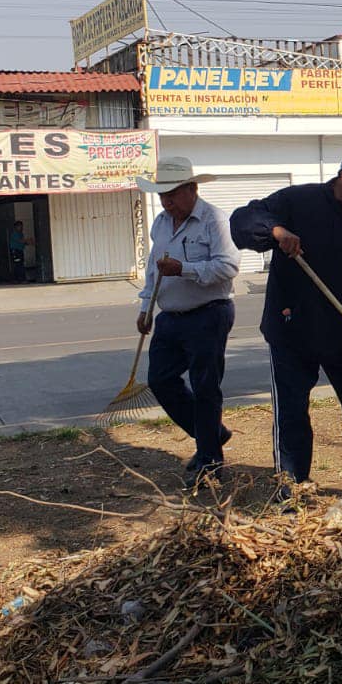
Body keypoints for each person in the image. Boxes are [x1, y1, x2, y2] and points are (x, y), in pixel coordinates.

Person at [230, 148, 342, 497]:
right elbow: (242, 221)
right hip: (292, 330)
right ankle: (290, 488)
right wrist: (275, 231)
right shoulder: (297, 201)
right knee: (291, 413)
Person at [136, 156, 239, 487]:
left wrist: (185, 269)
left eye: (173, 193)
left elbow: (227, 268)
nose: (166, 201)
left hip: (208, 313)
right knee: (160, 379)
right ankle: (210, 434)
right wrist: (145, 306)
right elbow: (154, 265)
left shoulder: (214, 220)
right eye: (162, 194)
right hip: (169, 314)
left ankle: (210, 461)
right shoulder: (161, 223)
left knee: (206, 386)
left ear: (192, 189)